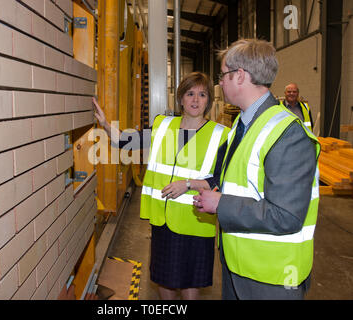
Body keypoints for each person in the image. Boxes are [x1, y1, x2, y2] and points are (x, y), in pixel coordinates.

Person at [193, 39, 320, 300]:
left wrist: (221, 204)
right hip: (239, 267)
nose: (220, 83)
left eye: (223, 75)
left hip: (272, 278)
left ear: (239, 76)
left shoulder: (287, 133)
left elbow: (286, 215)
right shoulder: (244, 122)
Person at [93, 72, 229, 300]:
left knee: (190, 280)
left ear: (209, 100)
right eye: (190, 93)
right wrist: (105, 124)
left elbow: (221, 179)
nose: (196, 100)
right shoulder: (163, 125)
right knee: (164, 277)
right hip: (163, 219)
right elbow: (127, 141)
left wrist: (188, 184)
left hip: (196, 219)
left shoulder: (221, 135)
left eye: (202, 94)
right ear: (181, 99)